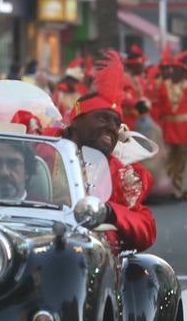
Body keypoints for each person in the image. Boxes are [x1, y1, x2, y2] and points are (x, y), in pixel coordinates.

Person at [65, 53, 156, 251]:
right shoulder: (48, 157)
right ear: (76, 123)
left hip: (101, 262)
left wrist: (111, 212)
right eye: (102, 119)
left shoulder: (122, 174)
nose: (112, 128)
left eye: (116, 122)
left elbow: (146, 227)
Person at [153, 52, 187, 199]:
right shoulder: (163, 86)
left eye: (176, 70)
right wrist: (157, 125)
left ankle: (178, 189)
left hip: (185, 129)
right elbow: (158, 107)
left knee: (181, 159)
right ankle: (170, 188)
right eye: (172, 69)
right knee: (169, 159)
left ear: (183, 72)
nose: (173, 72)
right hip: (168, 128)